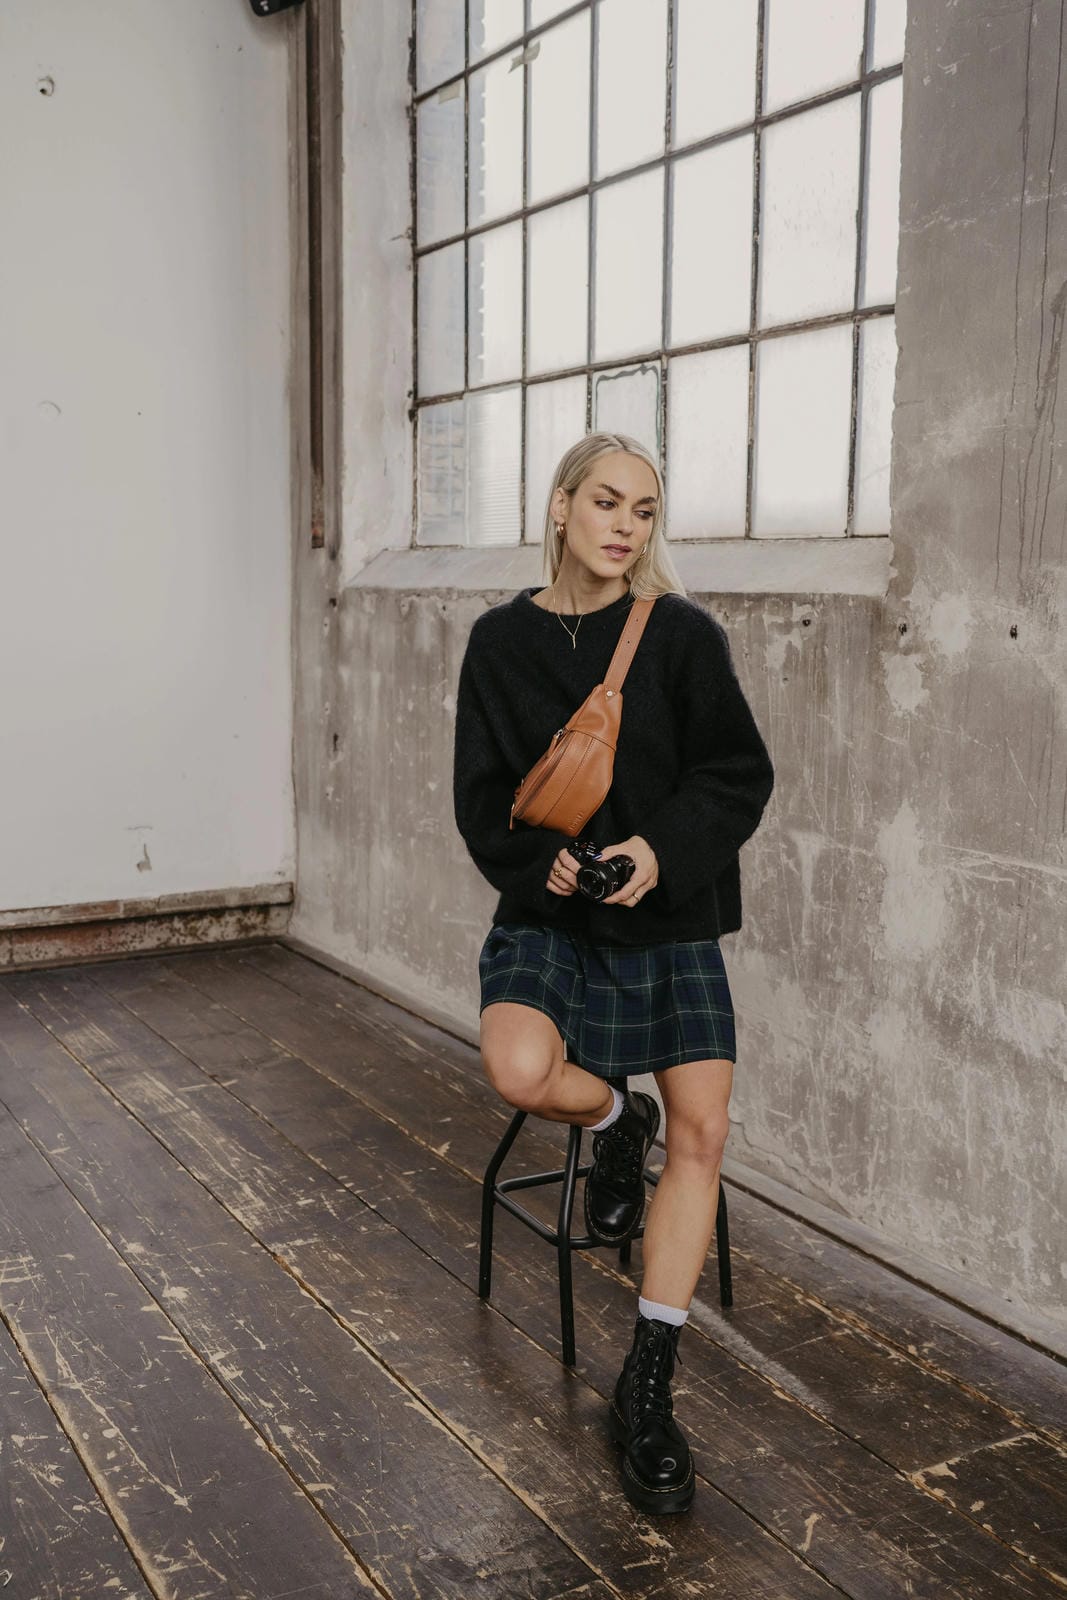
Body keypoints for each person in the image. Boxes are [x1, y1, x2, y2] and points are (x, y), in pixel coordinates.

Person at [452, 430, 775, 1516]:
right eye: (603, 501)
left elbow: (736, 774)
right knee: (517, 1069)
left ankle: (647, 1378)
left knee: (705, 1133)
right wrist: (540, 864)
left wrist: (656, 852)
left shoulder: (681, 635)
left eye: (642, 508)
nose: (623, 525)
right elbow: (481, 794)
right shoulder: (499, 642)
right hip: (550, 908)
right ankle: (610, 1122)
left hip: (668, 911)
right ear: (557, 506)